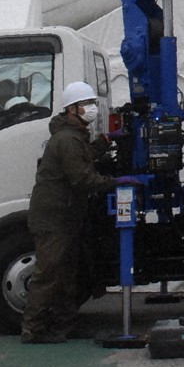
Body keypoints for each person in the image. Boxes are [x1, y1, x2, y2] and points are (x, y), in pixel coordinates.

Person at [22, 81, 136, 344]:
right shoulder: (67, 139)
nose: (91, 109)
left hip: (64, 217)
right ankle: (32, 329)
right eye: (87, 104)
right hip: (54, 219)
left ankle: (64, 326)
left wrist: (105, 141)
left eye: (92, 103)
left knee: (66, 274)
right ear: (72, 109)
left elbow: (84, 157)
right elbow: (82, 177)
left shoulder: (73, 136)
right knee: (49, 274)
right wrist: (116, 182)